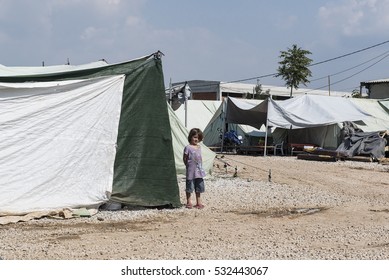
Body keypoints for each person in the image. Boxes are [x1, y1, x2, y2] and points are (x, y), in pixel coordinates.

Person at [183, 128, 206, 209]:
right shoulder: (188, 147)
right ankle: (189, 202)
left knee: (199, 187)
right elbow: (185, 158)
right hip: (191, 171)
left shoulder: (199, 147)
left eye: (198, 138)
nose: (196, 139)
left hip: (199, 171)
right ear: (190, 137)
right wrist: (188, 166)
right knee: (189, 187)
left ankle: (198, 202)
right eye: (195, 137)